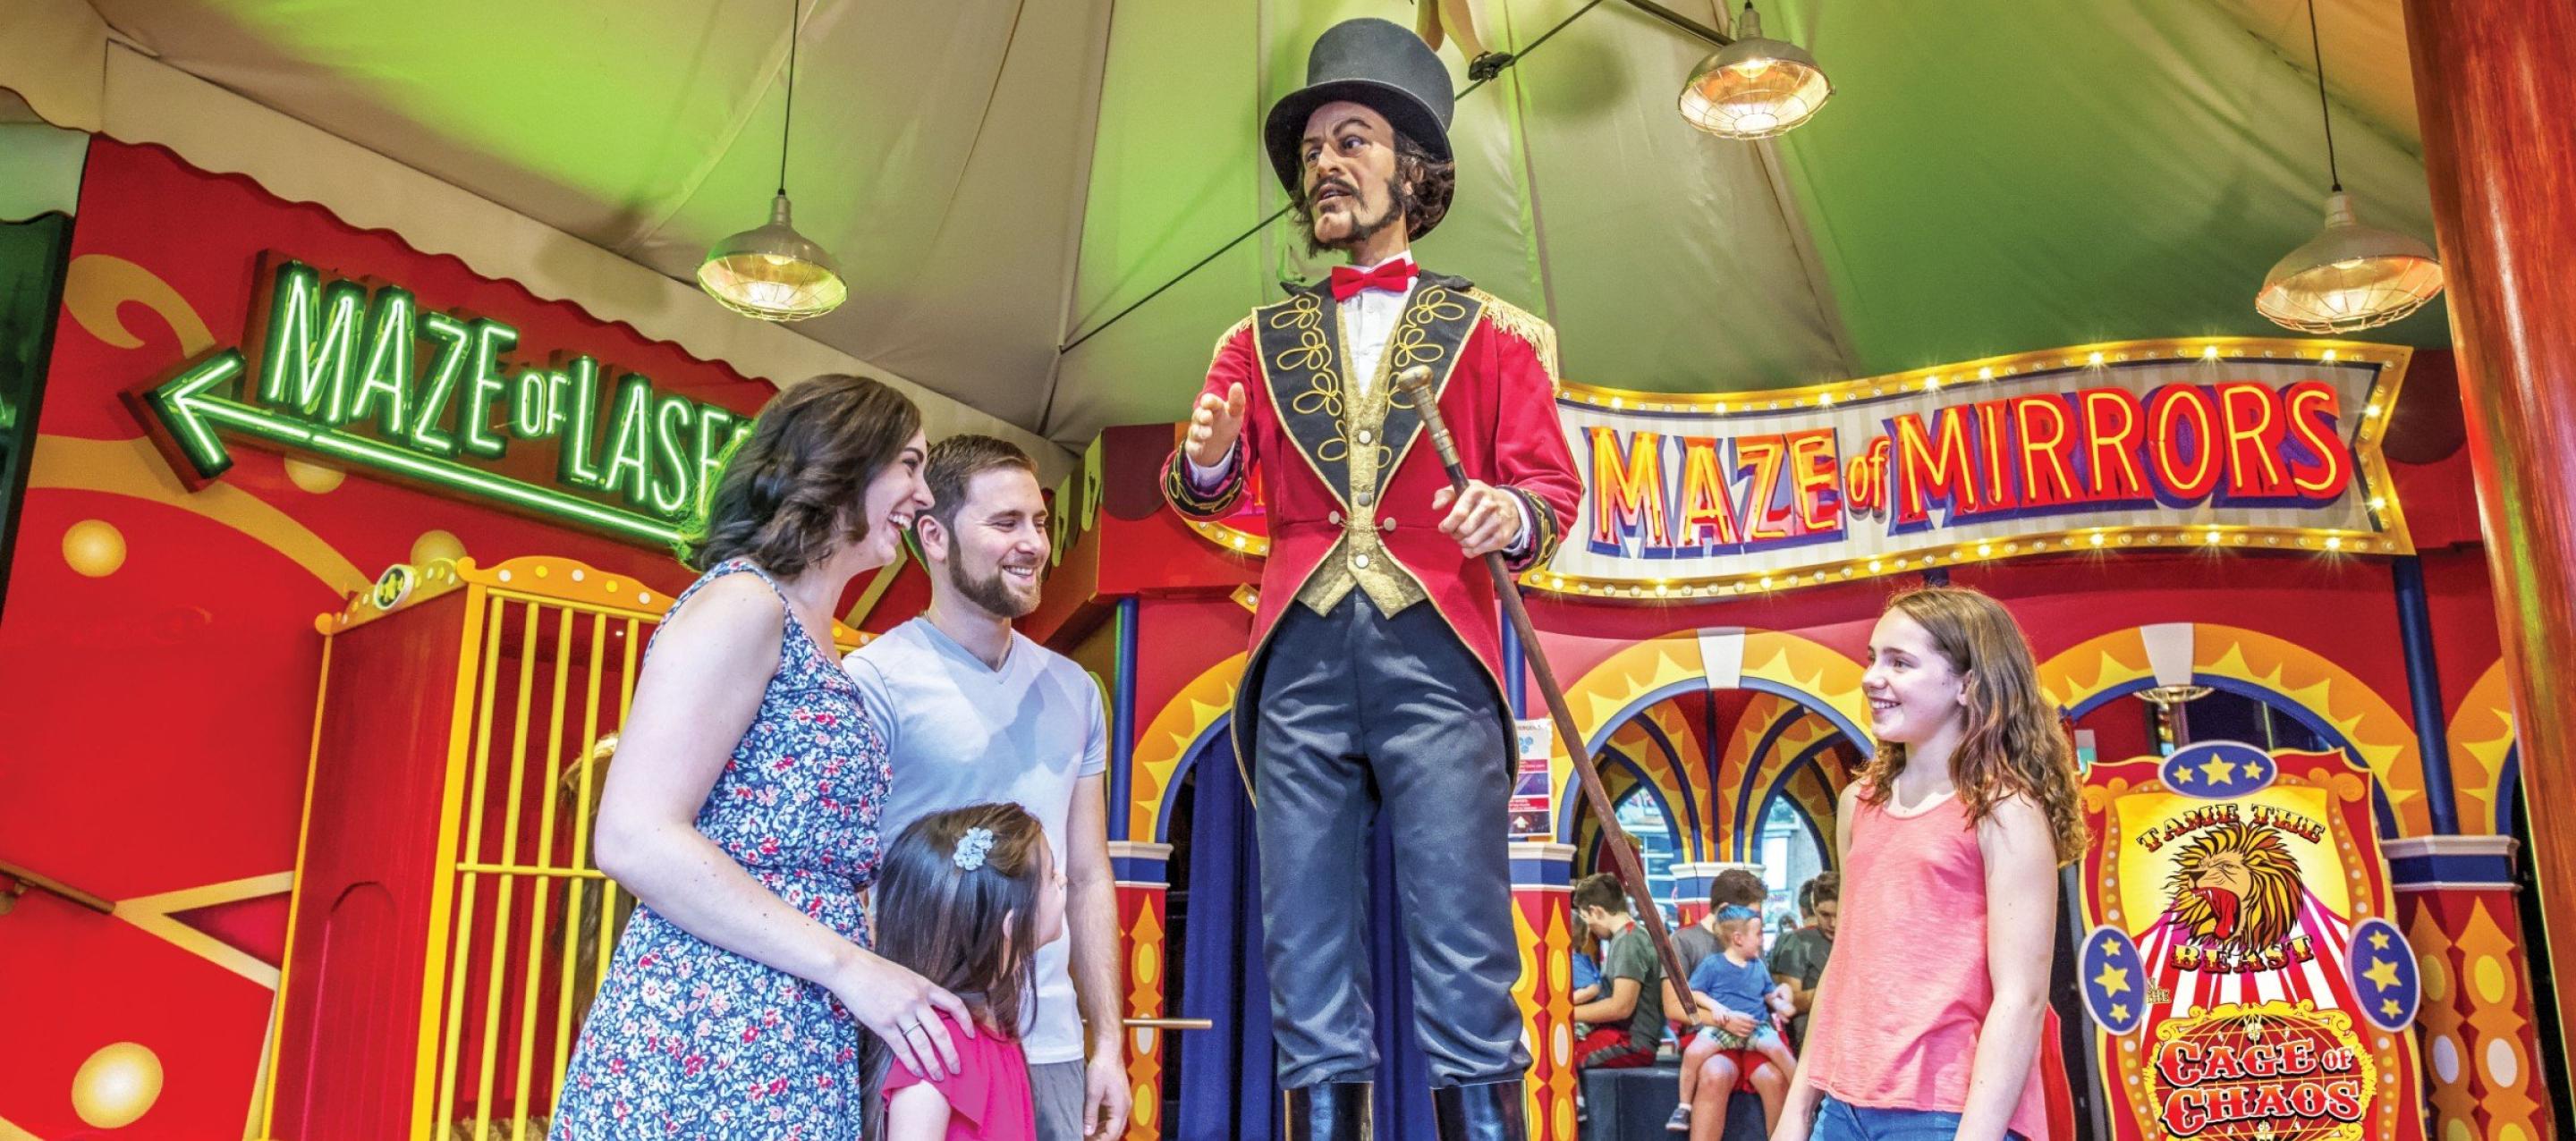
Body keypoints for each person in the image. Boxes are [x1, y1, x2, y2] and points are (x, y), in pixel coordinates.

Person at [1159, 16, 1581, 1139]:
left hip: (1436, 658)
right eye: (1313, 152)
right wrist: (1210, 460)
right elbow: (1208, 489)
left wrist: (1509, 511)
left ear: (1414, 169)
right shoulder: (1255, 339)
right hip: (1297, 661)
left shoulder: (1494, 332)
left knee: (1466, 942)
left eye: (1352, 142)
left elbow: (1550, 492)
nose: (1326, 166)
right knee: (1302, 947)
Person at [554, 375, 962, 1140]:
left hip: (785, 1016)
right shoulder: (745, 603)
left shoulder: (811, 629)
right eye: (910, 464)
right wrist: (850, 966)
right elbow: (633, 835)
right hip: (711, 1020)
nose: (924, 493)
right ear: (844, 460)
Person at [848, 436, 1130, 1141]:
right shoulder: (874, 682)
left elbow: (1089, 875)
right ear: (934, 536)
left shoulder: (1075, 690)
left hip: (1053, 1042)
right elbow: (848, 878)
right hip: (925, 1042)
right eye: (1005, 523)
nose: (1033, 543)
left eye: (1039, 522)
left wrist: (1107, 1042)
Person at [1774, 587, 2087, 1141]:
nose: (1872, 677)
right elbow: (1843, 967)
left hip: (1948, 1111)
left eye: (1900, 663)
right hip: (1842, 1107)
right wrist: (1797, 1114)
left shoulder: (2004, 811)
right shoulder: (1859, 804)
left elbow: (2021, 998)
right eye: (1873, 658)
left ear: (1968, 684)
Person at [870, 803, 1067, 1141]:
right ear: (1012, 924)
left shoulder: (997, 1026)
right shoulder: (938, 1046)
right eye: (1051, 876)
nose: (1063, 879)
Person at [1679, 907, 1796, 1140]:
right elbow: (1690, 995)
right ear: (1738, 938)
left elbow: (1769, 992)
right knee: (1710, 1070)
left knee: (1776, 1068)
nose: (1761, 940)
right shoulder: (1711, 962)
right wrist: (1718, 1011)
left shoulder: (1757, 964)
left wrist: (1782, 1002)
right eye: (1758, 934)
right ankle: (1683, 1107)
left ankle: (1801, 1098)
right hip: (1721, 1030)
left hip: (1755, 1028)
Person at [1667, 867, 1768, 1130]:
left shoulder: (1751, 941)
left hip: (1752, 1032)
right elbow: (1673, 1006)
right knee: (1716, 1074)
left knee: (1776, 1077)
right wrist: (1724, 1020)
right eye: (1750, 914)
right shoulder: (1684, 941)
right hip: (1708, 1035)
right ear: (1725, 909)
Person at [1570, 874, 1666, 1071]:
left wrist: (1566, 1013)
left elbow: (1621, 1007)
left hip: (1632, 1042)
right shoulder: (1624, 938)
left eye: (1587, 919)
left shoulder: (1629, 940)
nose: (1590, 929)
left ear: (1596, 911)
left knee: (1562, 1058)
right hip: (1621, 1035)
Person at [1767, 873, 1840, 1051]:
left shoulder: (1855, 940)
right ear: (1814, 908)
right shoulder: (1797, 942)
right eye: (1825, 915)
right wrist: (1836, 992)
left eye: (1838, 914)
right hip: (1812, 1040)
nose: (1832, 923)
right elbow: (1789, 1002)